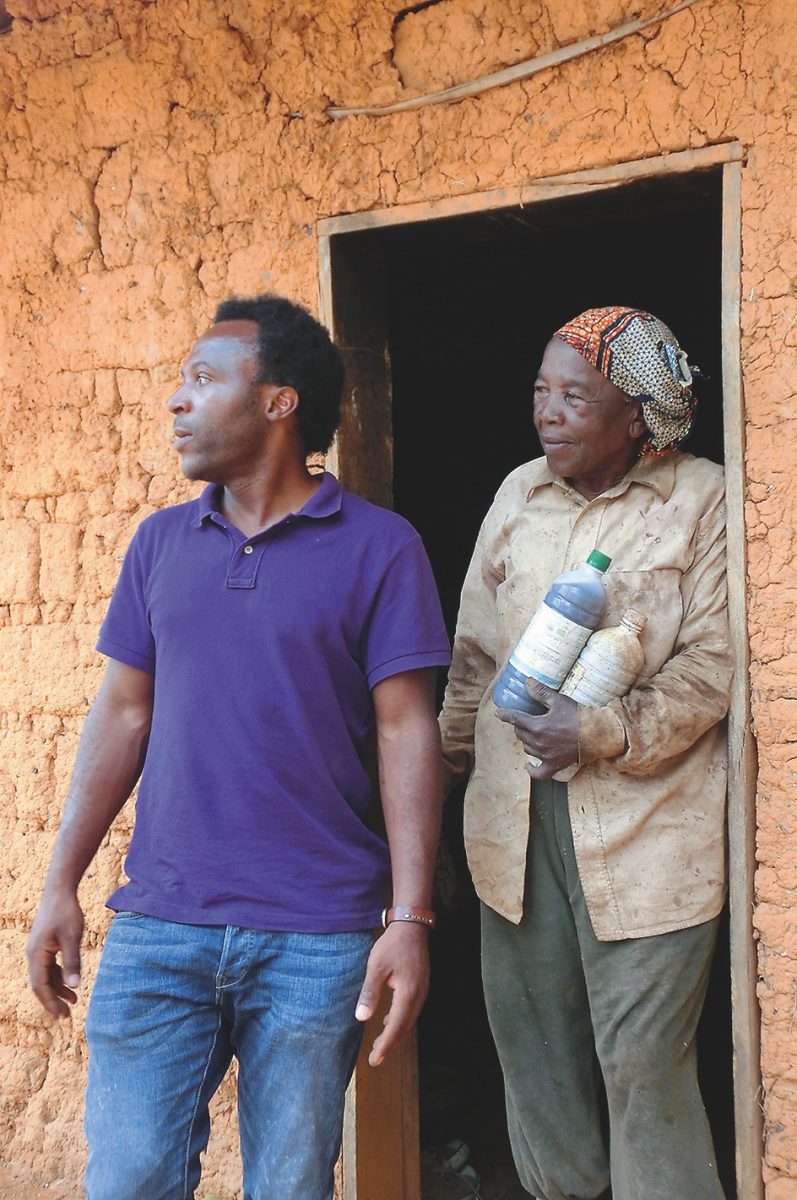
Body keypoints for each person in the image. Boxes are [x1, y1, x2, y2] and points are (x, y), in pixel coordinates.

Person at [26, 293, 451, 1200]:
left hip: (318, 935)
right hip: (158, 926)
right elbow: (123, 715)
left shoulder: (381, 549)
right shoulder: (160, 544)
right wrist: (61, 880)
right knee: (130, 1179)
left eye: (203, 379)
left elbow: (407, 730)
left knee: (290, 1186)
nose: (176, 401)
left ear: (277, 402)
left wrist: (408, 919)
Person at [439, 306, 732, 1200]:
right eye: (540, 391)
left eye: (576, 395)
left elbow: (715, 664)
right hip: (511, 834)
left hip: (649, 837)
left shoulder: (700, 499)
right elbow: (473, 663)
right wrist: (439, 792)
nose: (547, 413)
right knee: (537, 1069)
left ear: (637, 415)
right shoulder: (516, 497)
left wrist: (598, 729)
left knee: (643, 1065)